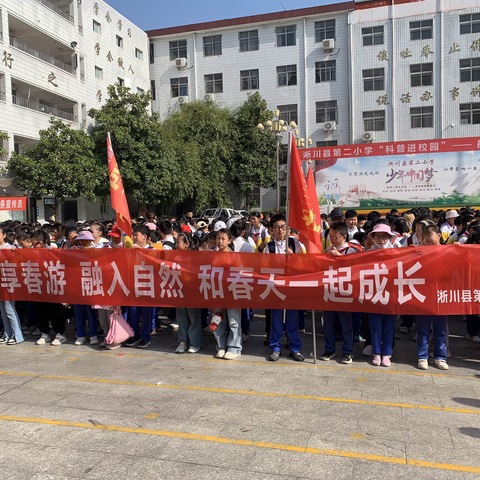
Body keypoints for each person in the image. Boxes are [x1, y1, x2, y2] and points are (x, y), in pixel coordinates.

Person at [264, 214, 305, 362]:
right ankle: (275, 347)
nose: (280, 230)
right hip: (276, 287)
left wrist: (293, 257)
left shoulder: (296, 244)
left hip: (292, 287)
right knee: (276, 319)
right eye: (276, 227)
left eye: (283, 227)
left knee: (292, 319)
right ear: (271, 230)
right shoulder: (268, 247)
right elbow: (265, 267)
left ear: (287, 229)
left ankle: (295, 348)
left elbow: (304, 265)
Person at [321, 221, 362, 364]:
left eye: (335, 237)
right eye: (330, 237)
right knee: (329, 323)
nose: (332, 239)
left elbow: (357, 268)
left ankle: (347, 351)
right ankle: (329, 349)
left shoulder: (351, 250)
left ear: (343, 236)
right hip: (330, 291)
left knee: (346, 324)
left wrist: (341, 257)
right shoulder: (327, 251)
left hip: (345, 292)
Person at [416, 224, 449, 370]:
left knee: (440, 328)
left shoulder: (449, 251)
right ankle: (422, 356)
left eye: (430, 235)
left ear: (439, 236)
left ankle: (440, 356)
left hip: (441, 295)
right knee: (423, 328)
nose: (427, 239)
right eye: (424, 236)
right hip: (423, 295)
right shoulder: (417, 252)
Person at [365, 224, 398, 367]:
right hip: (374, 294)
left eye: (385, 236)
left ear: (390, 237)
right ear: (373, 238)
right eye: (378, 236)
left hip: (391, 295)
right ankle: (377, 353)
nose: (382, 239)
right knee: (375, 325)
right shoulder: (366, 254)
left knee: (389, 326)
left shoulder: (397, 253)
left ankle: (387, 353)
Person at [211, 228, 242, 360]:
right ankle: (221, 346)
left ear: (229, 241)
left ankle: (234, 348)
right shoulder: (213, 256)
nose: (220, 241)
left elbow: (239, 274)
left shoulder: (235, 256)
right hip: (217, 292)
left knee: (233, 320)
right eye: (218, 238)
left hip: (232, 293)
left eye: (223, 238)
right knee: (218, 319)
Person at [174, 232, 203, 354]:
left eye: (179, 242)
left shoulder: (195, 257)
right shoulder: (174, 257)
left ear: (187, 244)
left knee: (193, 317)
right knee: (181, 317)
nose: (176, 244)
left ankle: (194, 342)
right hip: (179, 290)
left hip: (192, 291)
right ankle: (182, 341)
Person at [0, 226, 24, 345]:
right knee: (3, 312)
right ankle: (7, 333)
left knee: (9, 310)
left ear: (4, 235)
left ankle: (17, 335)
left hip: (9, 283)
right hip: (0, 284)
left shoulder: (10, 248)